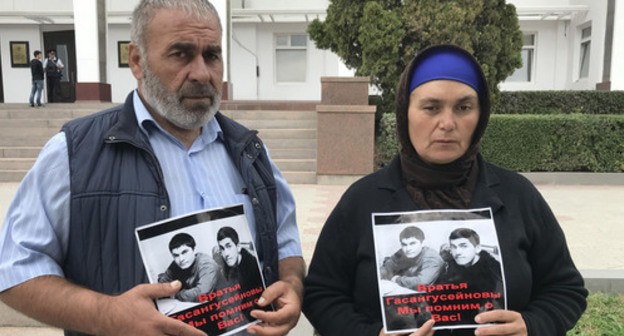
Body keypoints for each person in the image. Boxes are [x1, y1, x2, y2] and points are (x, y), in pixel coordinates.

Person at [0, 1, 305, 336]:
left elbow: (286, 248)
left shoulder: (250, 151)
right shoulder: (74, 153)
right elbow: (15, 272)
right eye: (181, 54)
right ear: (137, 61)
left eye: (212, 55)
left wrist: (291, 286)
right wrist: (108, 315)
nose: (202, 73)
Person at [302, 44, 587, 336]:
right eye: (431, 107)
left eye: (463, 107)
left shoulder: (518, 196)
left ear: (480, 114)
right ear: (405, 111)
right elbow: (322, 294)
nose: (448, 123)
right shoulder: (363, 200)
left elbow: (565, 289)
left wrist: (533, 325)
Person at [435, 228, 504, 326]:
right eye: (454, 247)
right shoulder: (450, 265)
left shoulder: (493, 270)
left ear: (477, 248)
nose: (457, 252)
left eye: (464, 246)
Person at [213, 226, 265, 331]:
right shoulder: (225, 265)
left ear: (238, 247)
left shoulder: (253, 267)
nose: (226, 254)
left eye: (229, 246)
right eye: (222, 249)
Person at [158, 233, 220, 302]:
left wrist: (176, 295)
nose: (181, 259)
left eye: (184, 252)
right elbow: (161, 284)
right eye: (176, 255)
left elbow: (202, 293)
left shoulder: (207, 264)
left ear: (194, 250)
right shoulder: (177, 264)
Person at [379, 226, 444, 290]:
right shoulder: (402, 252)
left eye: (412, 243)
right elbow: (386, 267)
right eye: (404, 244)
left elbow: (422, 283)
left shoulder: (432, 258)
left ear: (422, 243)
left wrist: (397, 279)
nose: (408, 249)